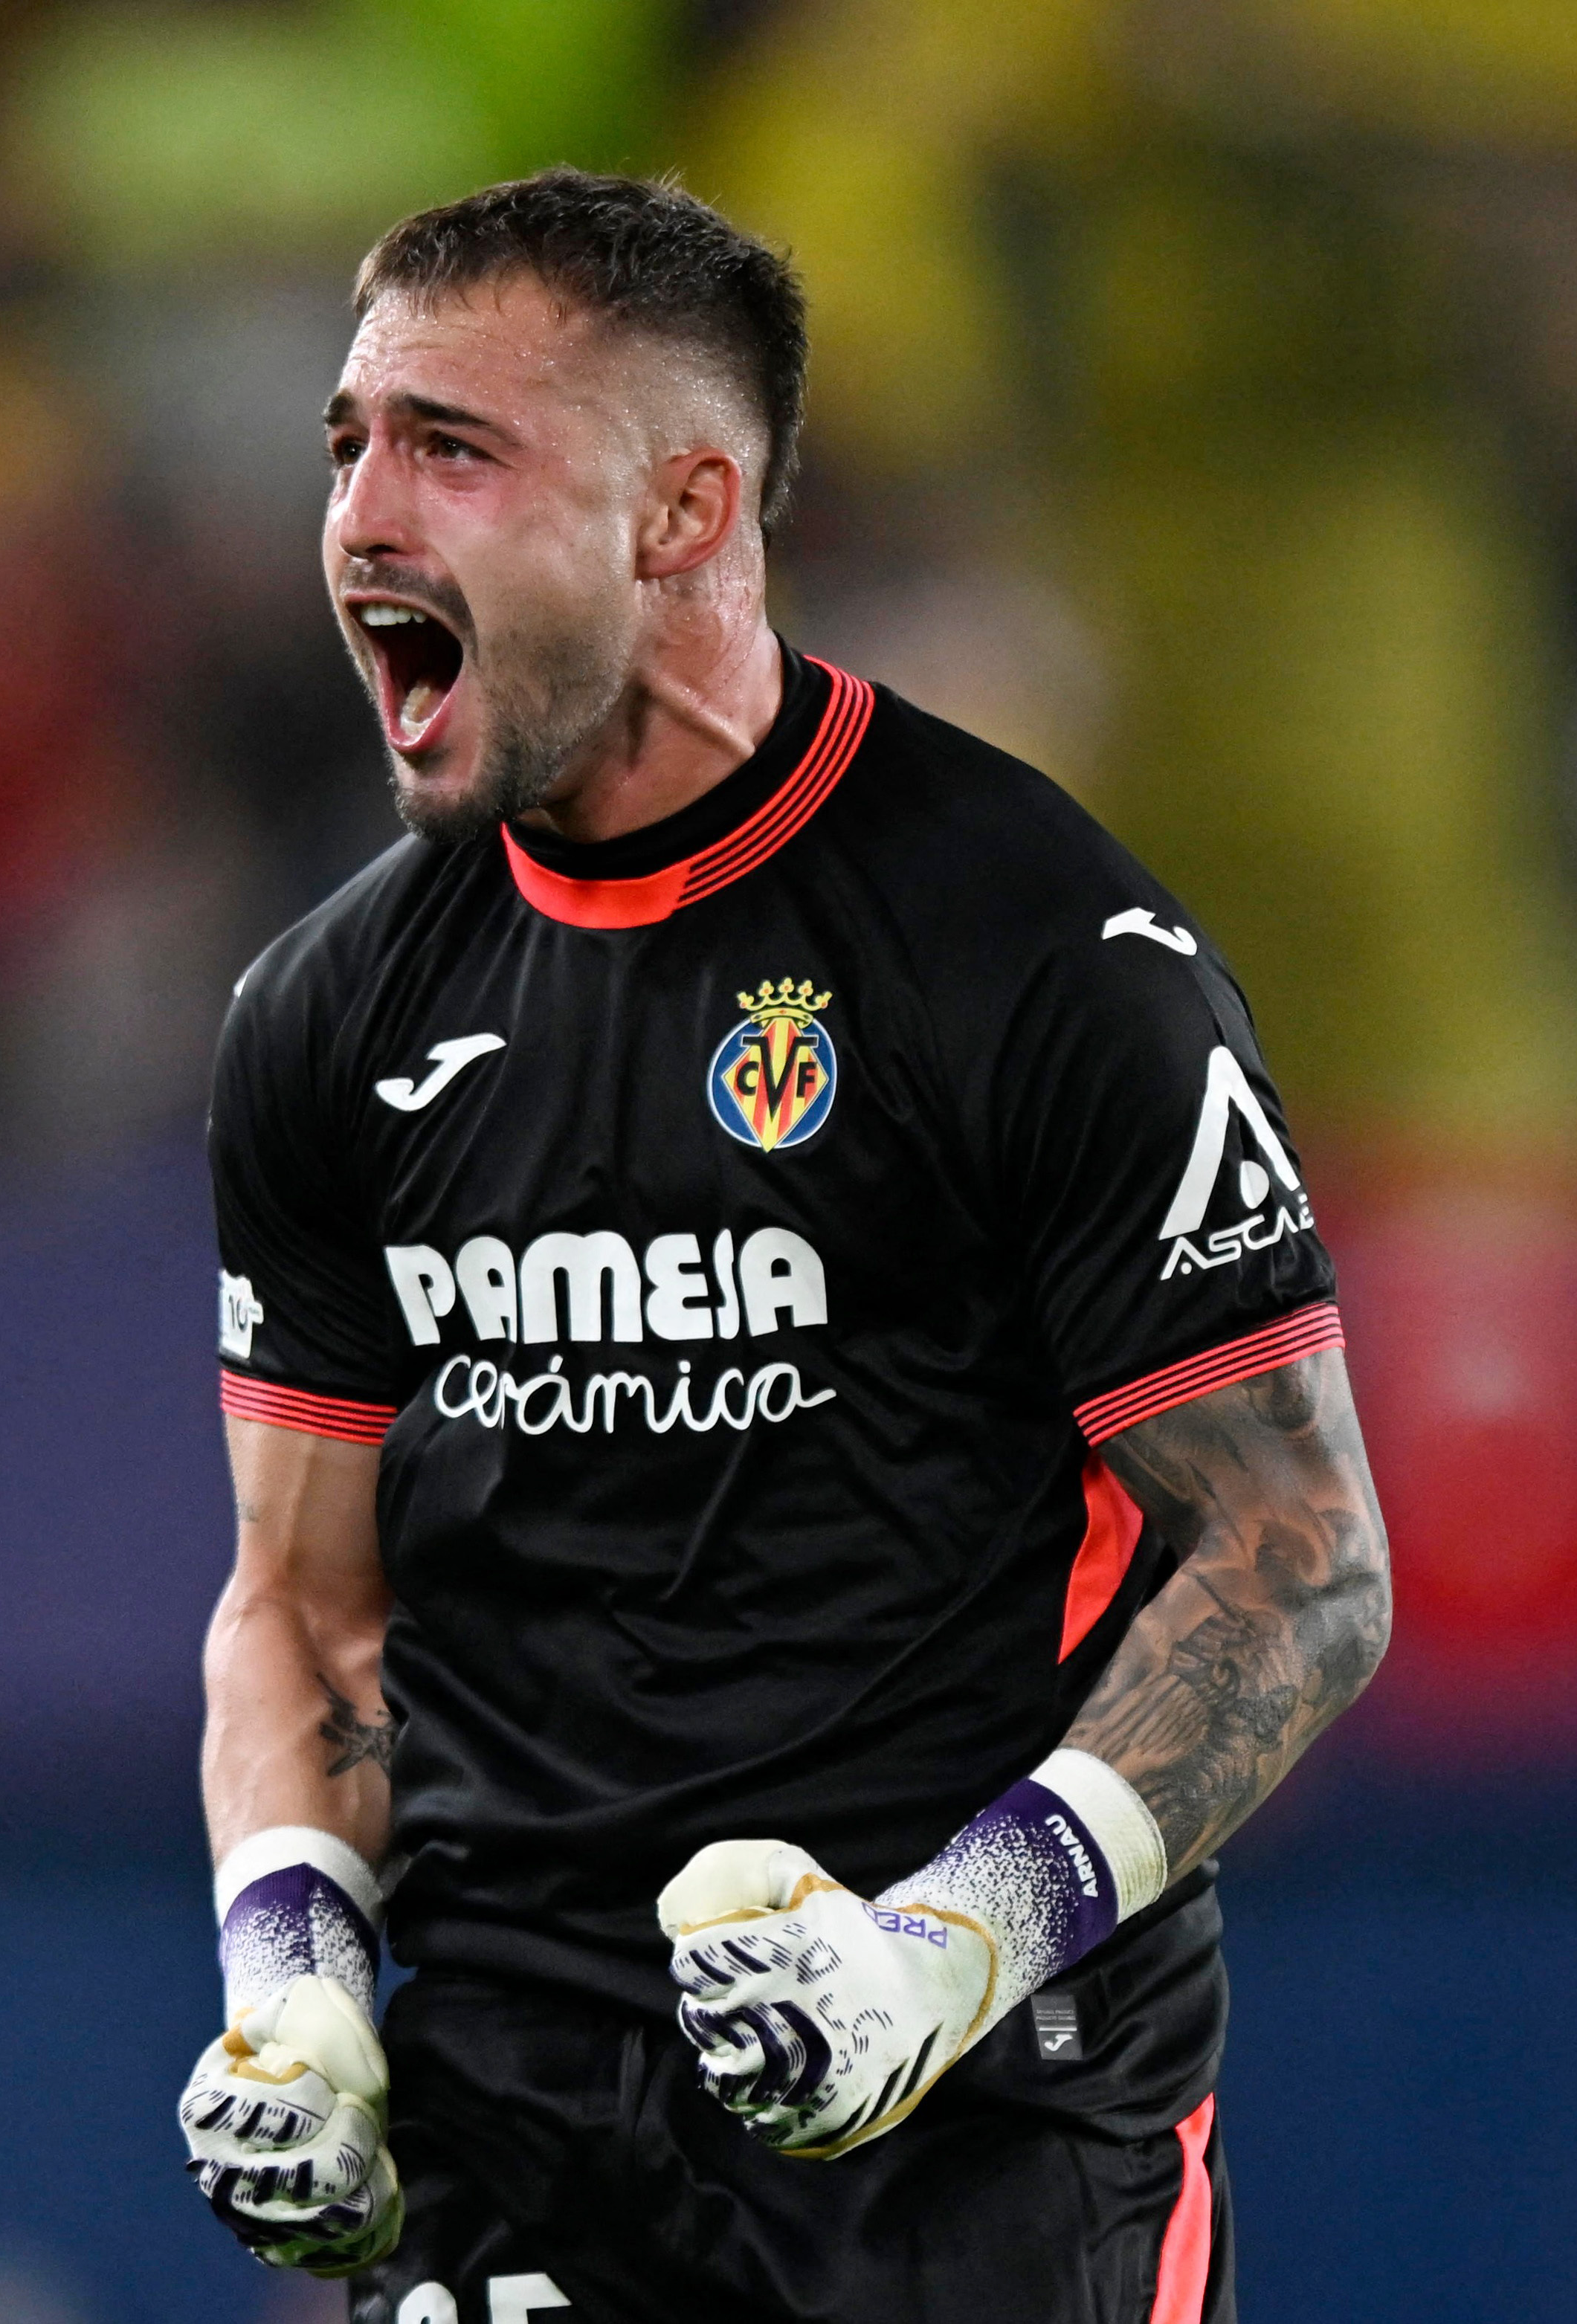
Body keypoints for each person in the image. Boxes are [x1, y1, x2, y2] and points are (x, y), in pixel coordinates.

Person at [180, 170, 1390, 2322]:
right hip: (515, 2123)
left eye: (452, 448)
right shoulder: (325, 1018)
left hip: (977, 2136)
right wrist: (298, 1987)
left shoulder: (1039, 954)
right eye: (348, 443)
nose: (363, 516)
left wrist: (944, 1953)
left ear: (681, 515)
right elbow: (301, 1606)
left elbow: (1301, 1568)